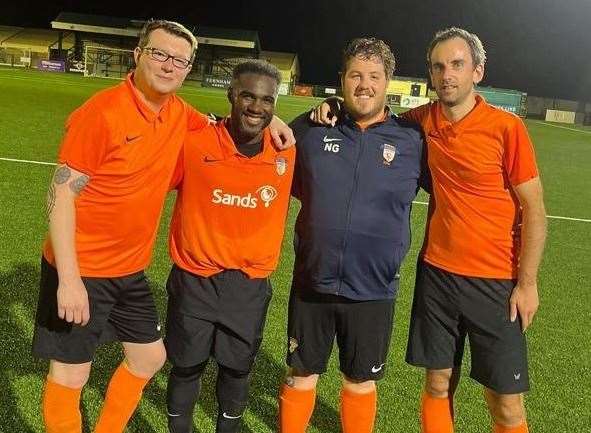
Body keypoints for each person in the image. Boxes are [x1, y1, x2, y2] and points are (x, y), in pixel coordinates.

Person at [32, 20, 294, 433]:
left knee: (149, 357)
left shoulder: (178, 114)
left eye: (179, 59)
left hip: (128, 271)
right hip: (83, 267)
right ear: (138, 55)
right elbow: (62, 194)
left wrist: (275, 122)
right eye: (159, 53)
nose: (168, 65)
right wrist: (68, 278)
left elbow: (222, 124)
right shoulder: (101, 113)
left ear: (188, 68)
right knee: (71, 376)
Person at [312, 27, 547, 433]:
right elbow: (375, 116)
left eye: (457, 64)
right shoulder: (422, 121)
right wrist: (335, 103)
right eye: (439, 67)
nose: (447, 75)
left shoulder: (506, 129)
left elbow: (535, 210)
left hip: (496, 281)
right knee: (438, 384)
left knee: (505, 402)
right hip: (437, 275)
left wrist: (527, 284)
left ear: (477, 70)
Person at [279, 38, 426, 433]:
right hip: (313, 281)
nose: (365, 84)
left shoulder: (412, 142)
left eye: (374, 76)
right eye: (356, 75)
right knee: (300, 373)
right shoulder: (309, 132)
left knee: (360, 380)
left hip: (374, 289)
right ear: (341, 80)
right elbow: (269, 156)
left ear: (388, 82)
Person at [163, 59, 295, 433]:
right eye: (247, 96)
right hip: (195, 279)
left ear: (275, 104)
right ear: (230, 96)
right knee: (187, 364)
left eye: (266, 100)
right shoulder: (194, 140)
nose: (256, 107)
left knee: (237, 368)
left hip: (248, 285)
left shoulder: (287, 150)